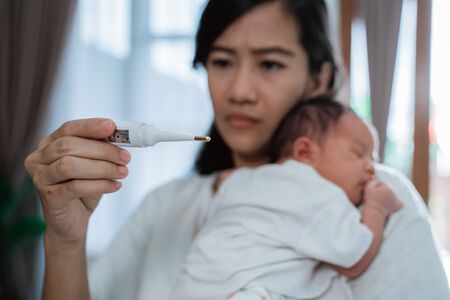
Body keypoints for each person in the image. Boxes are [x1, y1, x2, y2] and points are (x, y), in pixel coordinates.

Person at [23, 0, 449, 299]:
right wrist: (65, 240)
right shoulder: (166, 207)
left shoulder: (372, 191)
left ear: (319, 79)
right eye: (222, 62)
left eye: (270, 64)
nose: (240, 91)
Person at [171, 97, 404, 300]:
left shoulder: (245, 179)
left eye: (373, 159)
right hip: (241, 291)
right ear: (305, 152)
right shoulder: (319, 194)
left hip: (191, 285)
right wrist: (377, 208)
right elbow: (355, 258)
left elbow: (222, 188)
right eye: (358, 153)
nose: (371, 169)